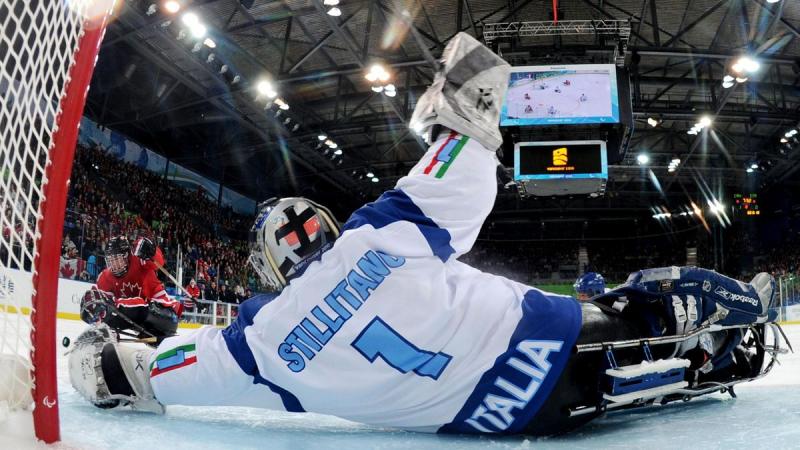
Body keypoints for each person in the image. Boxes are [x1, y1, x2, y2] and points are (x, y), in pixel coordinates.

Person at [69, 33, 780, 436]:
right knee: (644, 305)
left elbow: (155, 376)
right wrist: (463, 102)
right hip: (552, 335)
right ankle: (710, 339)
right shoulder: (378, 235)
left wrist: (103, 361)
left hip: (502, 417)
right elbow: (465, 163)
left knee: (628, 333)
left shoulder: (257, 346)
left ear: (270, 266)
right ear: (325, 227)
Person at [79, 235, 182, 341]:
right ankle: (106, 339)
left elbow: (159, 262)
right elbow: (108, 305)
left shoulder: (139, 261)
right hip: (139, 321)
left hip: (164, 316)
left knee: (121, 305)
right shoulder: (105, 278)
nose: (115, 265)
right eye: (111, 261)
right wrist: (97, 313)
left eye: (118, 260)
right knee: (108, 309)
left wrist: (151, 250)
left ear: (128, 255)